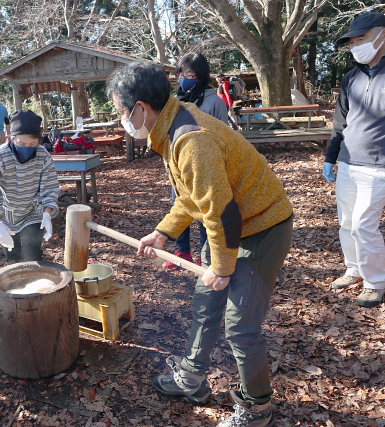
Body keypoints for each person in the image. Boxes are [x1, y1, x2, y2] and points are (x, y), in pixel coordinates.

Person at [106, 62, 293, 427]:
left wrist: (223, 268)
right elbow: (193, 196)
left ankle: (257, 407)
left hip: (262, 226)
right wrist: (163, 232)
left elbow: (221, 213)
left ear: (142, 108)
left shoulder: (192, 140)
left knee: (241, 326)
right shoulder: (173, 124)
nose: (121, 121)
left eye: (122, 112)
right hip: (230, 224)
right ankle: (191, 377)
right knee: (206, 304)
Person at [323, 11, 385, 308]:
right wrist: (331, 157)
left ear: (382, 34)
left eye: (363, 38)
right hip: (348, 162)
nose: (356, 45)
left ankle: (375, 282)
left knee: (363, 225)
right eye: (352, 41)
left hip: (378, 167)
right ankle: (354, 269)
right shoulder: (351, 77)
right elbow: (340, 122)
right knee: (347, 222)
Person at [165, 53, 228, 270]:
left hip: (206, 167)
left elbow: (224, 136)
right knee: (179, 207)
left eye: (190, 74)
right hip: (179, 167)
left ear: (200, 76)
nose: (184, 78)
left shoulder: (215, 102)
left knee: (204, 211)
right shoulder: (176, 101)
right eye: (181, 73)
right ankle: (182, 251)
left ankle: (205, 254)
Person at [0, 110, 59, 264]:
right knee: (13, 260)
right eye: (21, 144)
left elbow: (50, 188)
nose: (27, 148)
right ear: (11, 138)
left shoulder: (44, 156)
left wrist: (47, 213)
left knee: (32, 256)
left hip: (34, 211)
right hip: (7, 214)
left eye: (32, 144)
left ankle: (35, 286)